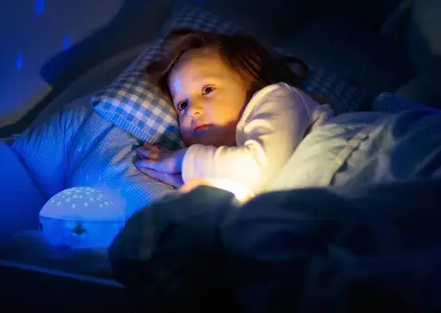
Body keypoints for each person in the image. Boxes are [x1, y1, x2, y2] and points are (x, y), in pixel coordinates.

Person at [134, 29, 335, 202]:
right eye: (182, 104)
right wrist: (183, 179)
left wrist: (179, 161)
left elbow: (258, 168)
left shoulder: (279, 97)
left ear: (250, 81)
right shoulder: (232, 163)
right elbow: (253, 195)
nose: (192, 110)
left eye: (207, 90)